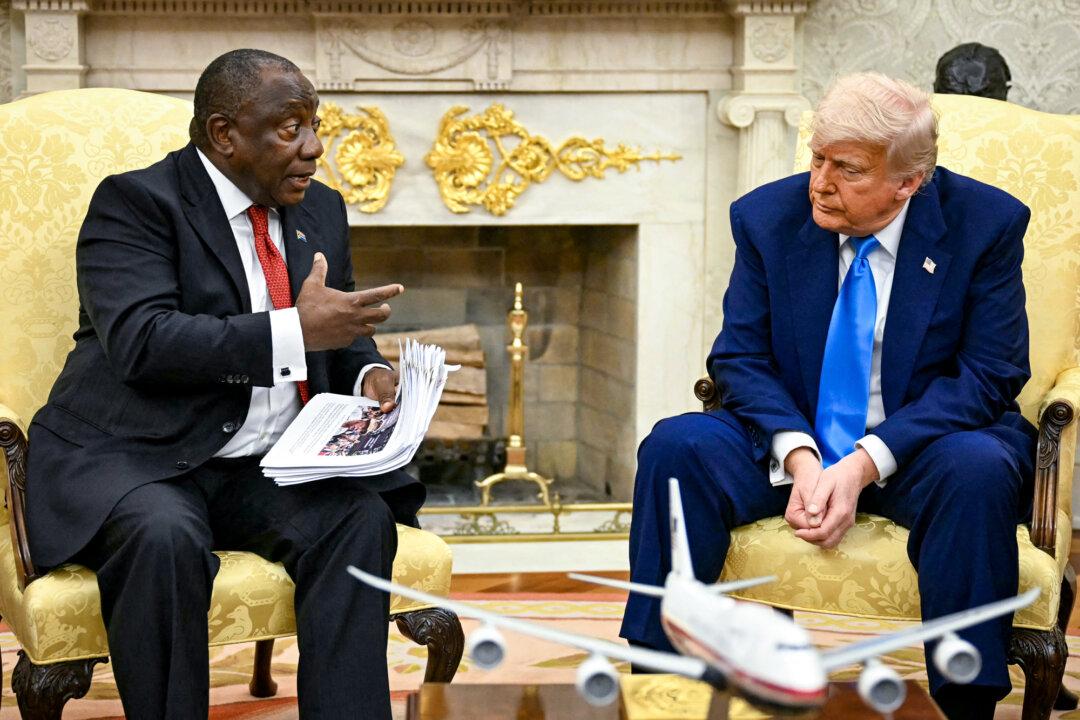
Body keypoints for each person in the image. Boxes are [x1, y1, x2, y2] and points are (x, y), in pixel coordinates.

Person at [621, 72, 1035, 720]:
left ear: (908, 182)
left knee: (979, 470)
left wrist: (867, 461)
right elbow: (739, 357)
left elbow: (990, 373)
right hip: (793, 440)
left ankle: (966, 705)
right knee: (676, 448)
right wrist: (801, 456)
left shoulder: (985, 225)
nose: (819, 182)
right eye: (817, 158)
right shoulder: (767, 218)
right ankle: (661, 689)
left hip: (920, 447)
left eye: (847, 169)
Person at [25, 49, 422, 719]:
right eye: (291, 128)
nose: (314, 147)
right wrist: (294, 331)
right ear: (224, 134)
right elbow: (143, 341)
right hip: (141, 456)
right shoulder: (136, 203)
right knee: (163, 536)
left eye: (315, 125)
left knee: (358, 519)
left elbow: (339, 326)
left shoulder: (321, 209)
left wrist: (370, 373)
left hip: (264, 466)